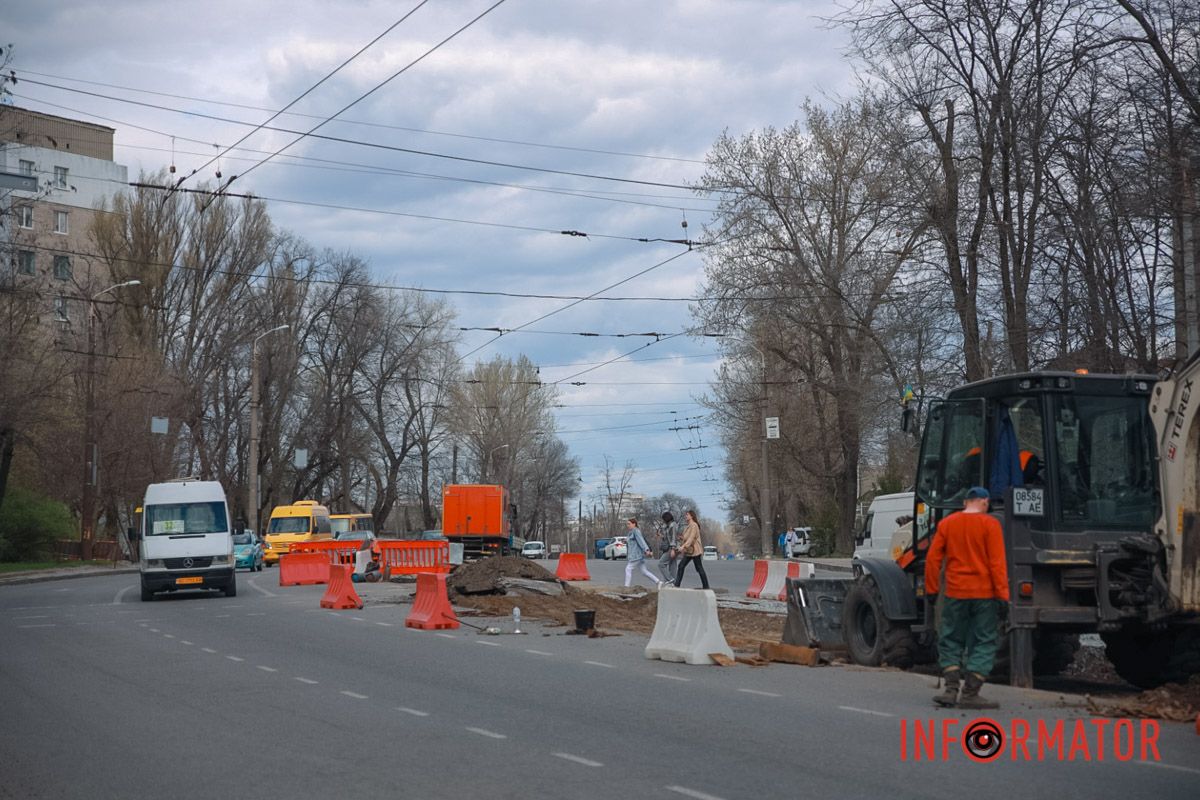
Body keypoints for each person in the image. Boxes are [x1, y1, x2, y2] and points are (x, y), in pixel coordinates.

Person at [924, 486, 1010, 709]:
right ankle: (971, 692)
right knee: (984, 640)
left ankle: (951, 689)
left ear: (965, 503)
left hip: (955, 593)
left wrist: (932, 590)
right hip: (984, 595)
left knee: (950, 638)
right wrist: (1003, 597)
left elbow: (933, 560)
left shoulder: (948, 524)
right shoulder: (990, 524)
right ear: (985, 502)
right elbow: (997, 564)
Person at [673, 509, 710, 589]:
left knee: (699, 568)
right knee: (681, 566)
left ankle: (706, 586)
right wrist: (680, 538)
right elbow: (686, 538)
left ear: (691, 516)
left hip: (695, 550)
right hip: (689, 551)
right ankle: (677, 585)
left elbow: (691, 538)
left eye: (687, 515)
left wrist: (683, 546)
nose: (686, 516)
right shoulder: (688, 526)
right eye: (686, 515)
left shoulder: (694, 525)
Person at [623, 518, 664, 588]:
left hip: (636, 555)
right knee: (644, 571)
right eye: (627, 524)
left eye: (629, 524)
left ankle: (626, 587)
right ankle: (658, 582)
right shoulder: (631, 532)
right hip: (638, 556)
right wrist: (626, 541)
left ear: (634, 524)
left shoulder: (636, 531)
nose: (628, 525)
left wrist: (647, 550)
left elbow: (641, 541)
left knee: (628, 568)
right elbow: (633, 541)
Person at [657, 511, 679, 583]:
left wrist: (673, 549)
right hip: (670, 547)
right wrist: (661, 536)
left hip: (672, 548)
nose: (662, 520)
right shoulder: (667, 525)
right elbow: (667, 538)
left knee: (661, 564)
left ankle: (670, 579)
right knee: (673, 566)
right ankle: (674, 584)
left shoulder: (673, 525)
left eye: (663, 519)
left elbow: (673, 537)